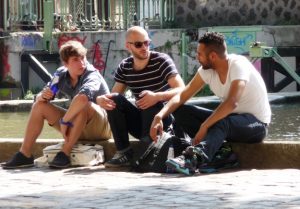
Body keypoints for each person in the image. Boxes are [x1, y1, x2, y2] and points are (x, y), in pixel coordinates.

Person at [150, 32, 271, 175]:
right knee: (181, 110)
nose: (197, 57)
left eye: (199, 54)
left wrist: (205, 125)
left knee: (222, 122)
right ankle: (222, 155)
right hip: (229, 121)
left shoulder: (239, 65)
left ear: (212, 56)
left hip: (256, 125)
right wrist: (159, 116)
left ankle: (193, 159)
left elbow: (232, 103)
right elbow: (182, 96)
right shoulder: (207, 71)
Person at [2, 40, 111, 169]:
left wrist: (65, 121)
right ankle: (25, 154)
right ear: (66, 63)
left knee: (83, 103)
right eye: (76, 59)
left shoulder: (91, 74)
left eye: (83, 58)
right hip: (77, 124)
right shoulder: (60, 74)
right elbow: (41, 96)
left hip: (101, 127)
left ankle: (65, 153)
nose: (82, 63)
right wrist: (43, 95)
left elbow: (82, 99)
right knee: (39, 106)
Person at [97, 26, 185, 168]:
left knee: (151, 102)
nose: (144, 47)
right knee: (113, 100)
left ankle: (148, 150)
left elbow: (182, 89)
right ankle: (123, 152)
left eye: (147, 43)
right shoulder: (125, 66)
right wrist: (101, 100)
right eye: (139, 44)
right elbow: (114, 96)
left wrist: (157, 96)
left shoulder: (162, 61)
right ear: (128, 46)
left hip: (163, 121)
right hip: (142, 122)